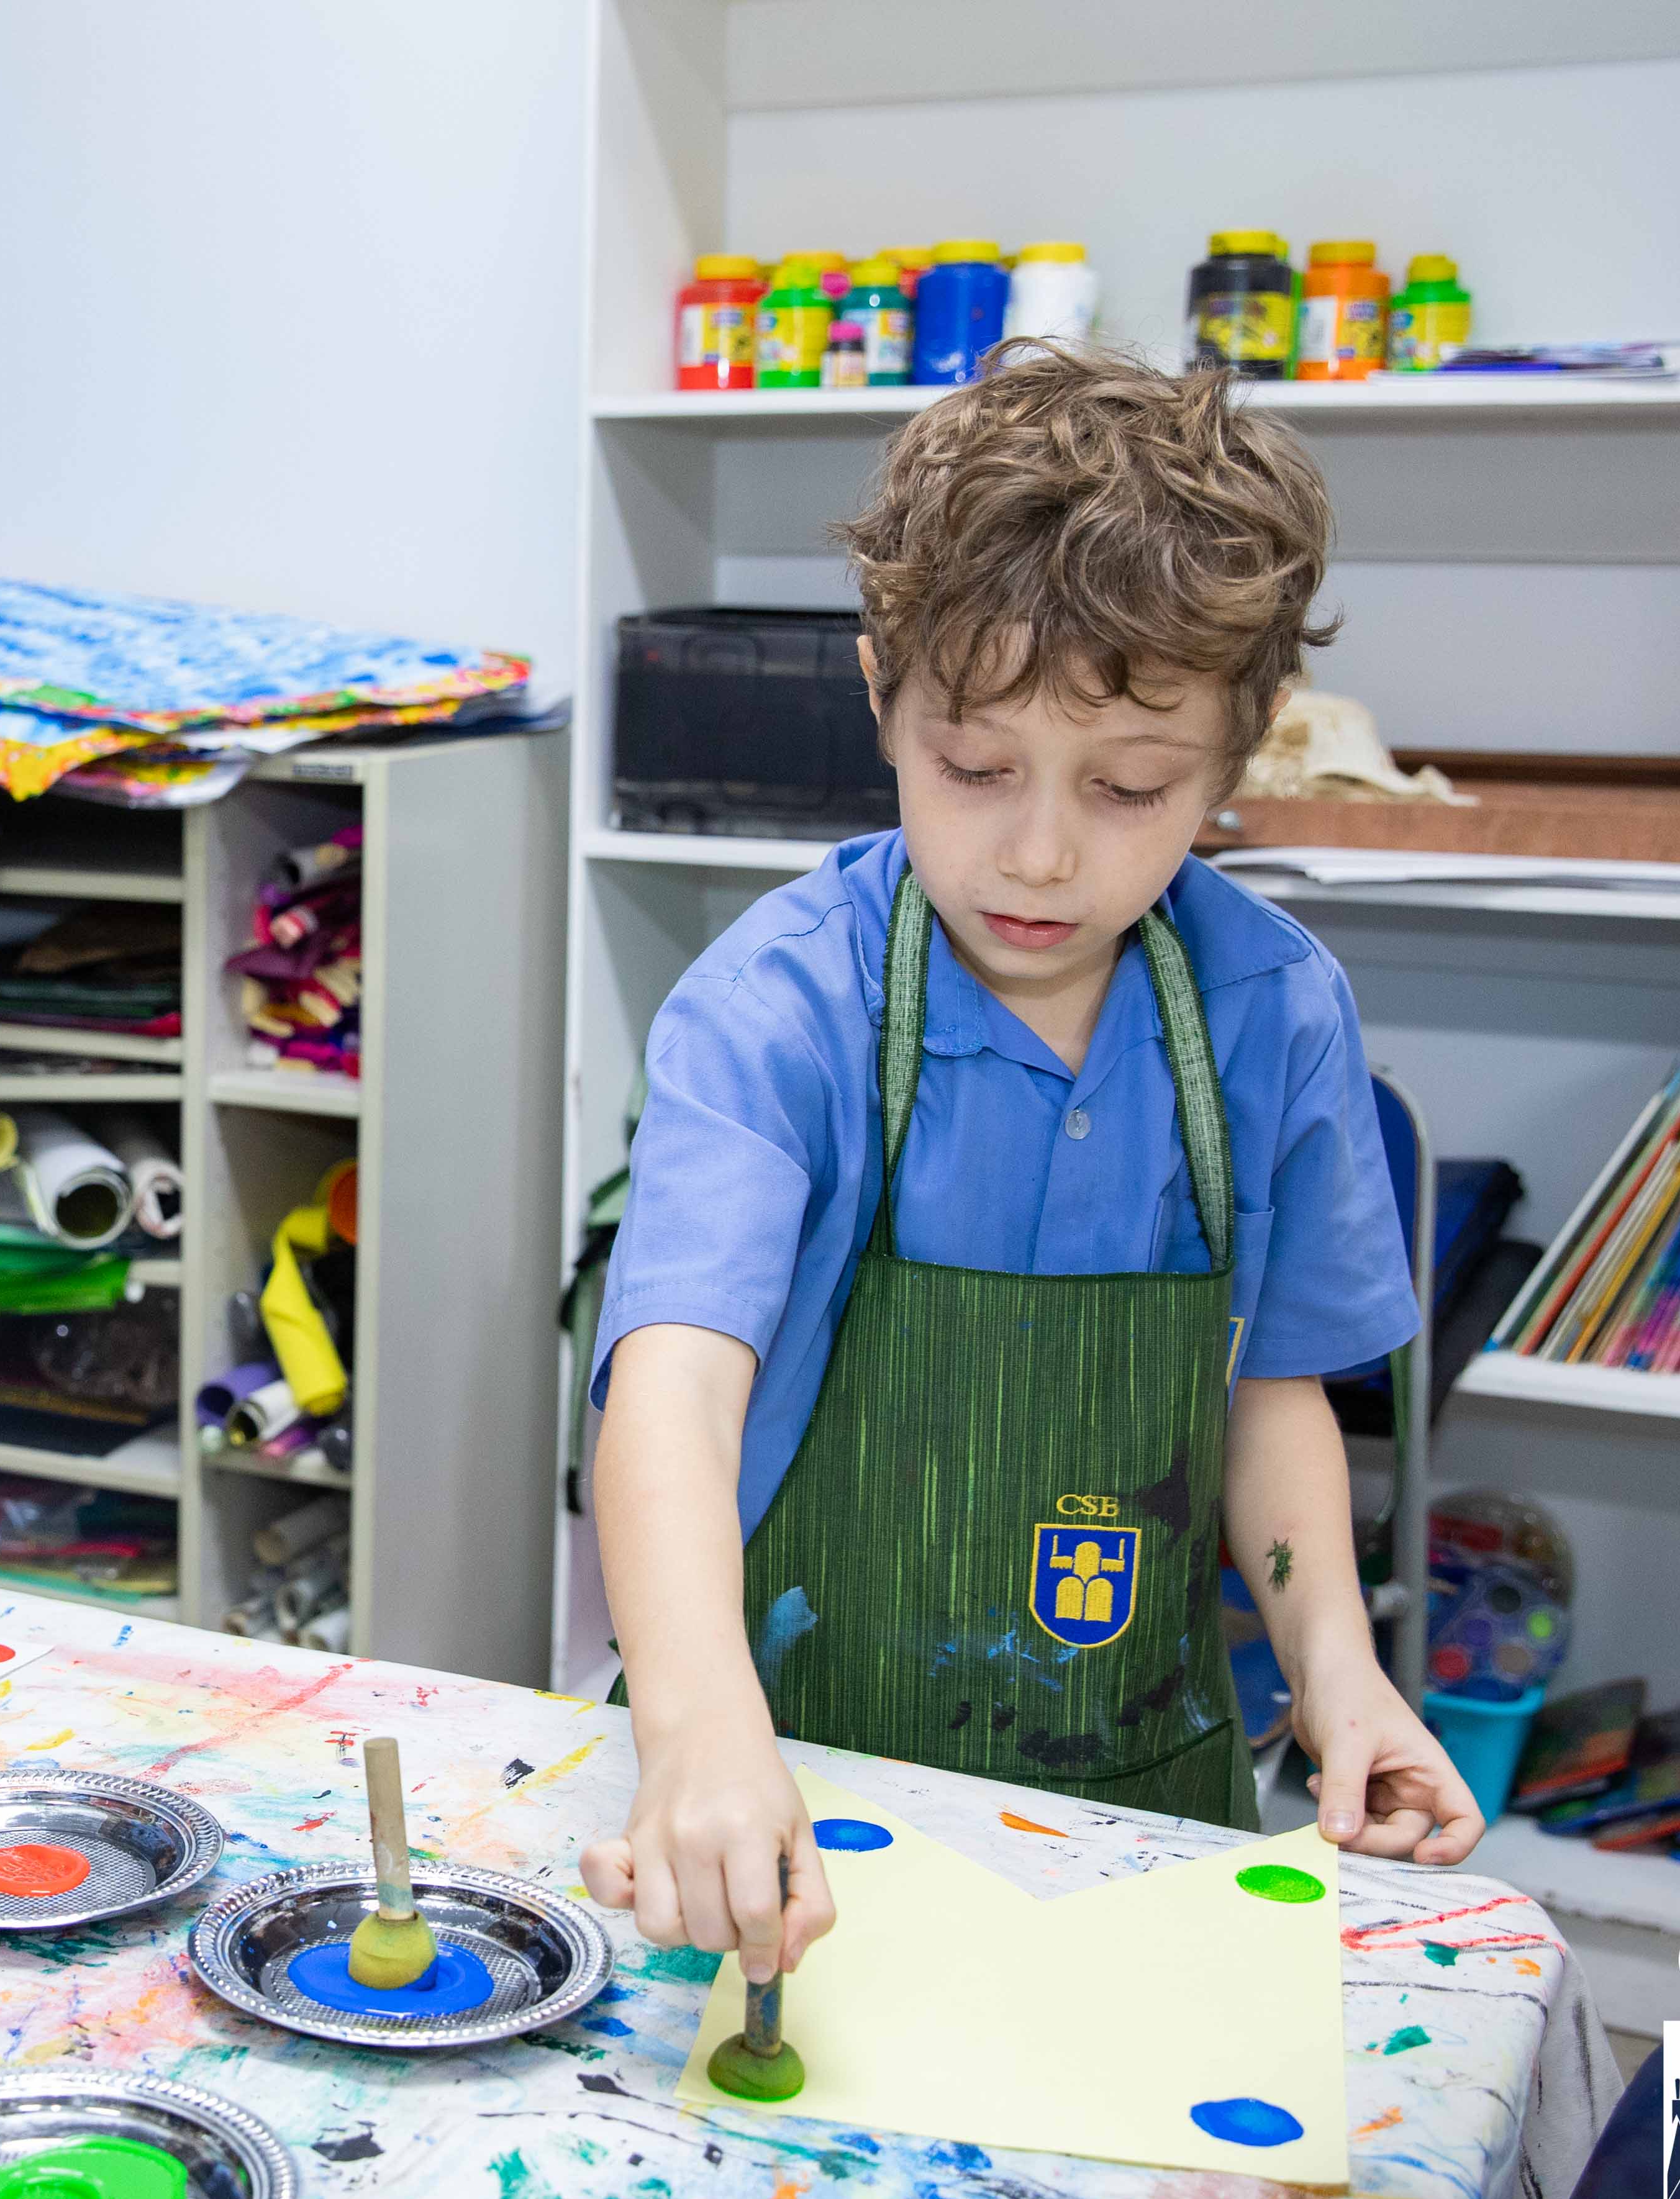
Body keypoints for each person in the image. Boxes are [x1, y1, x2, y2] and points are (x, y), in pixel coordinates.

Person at [583, 343, 1481, 1980]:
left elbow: (1272, 1393)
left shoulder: (1273, 1015)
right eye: (975, 767)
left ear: (1237, 751)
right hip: (792, 1788)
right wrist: (697, 1724)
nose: (1042, 851)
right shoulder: (779, 1010)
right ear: (883, 697)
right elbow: (676, 1387)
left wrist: (1339, 1668)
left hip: (1132, 1816)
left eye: (1131, 788)